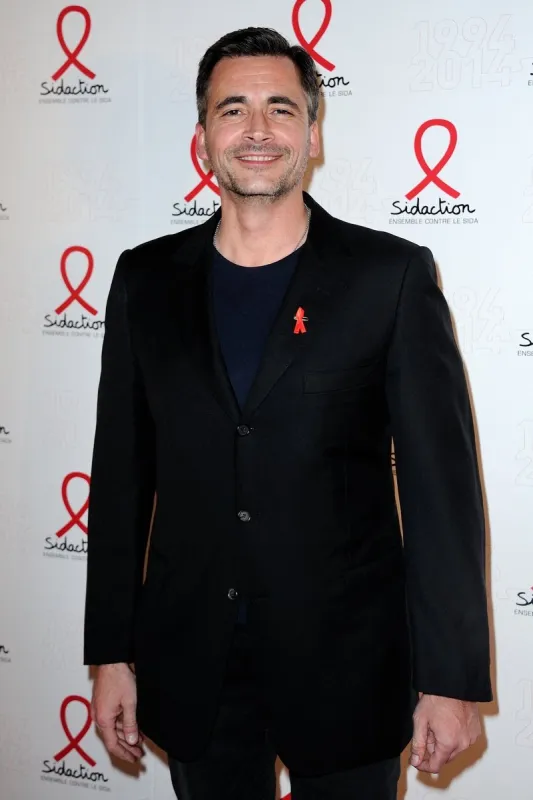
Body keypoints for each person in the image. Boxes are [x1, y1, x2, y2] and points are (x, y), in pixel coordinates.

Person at [84, 27, 492, 800]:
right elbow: (120, 481)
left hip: (350, 667)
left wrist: (448, 677)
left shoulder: (390, 277)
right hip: (195, 668)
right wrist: (110, 654)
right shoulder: (144, 282)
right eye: (231, 109)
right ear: (203, 137)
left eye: (280, 107)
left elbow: (442, 495)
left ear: (311, 131)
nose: (257, 129)